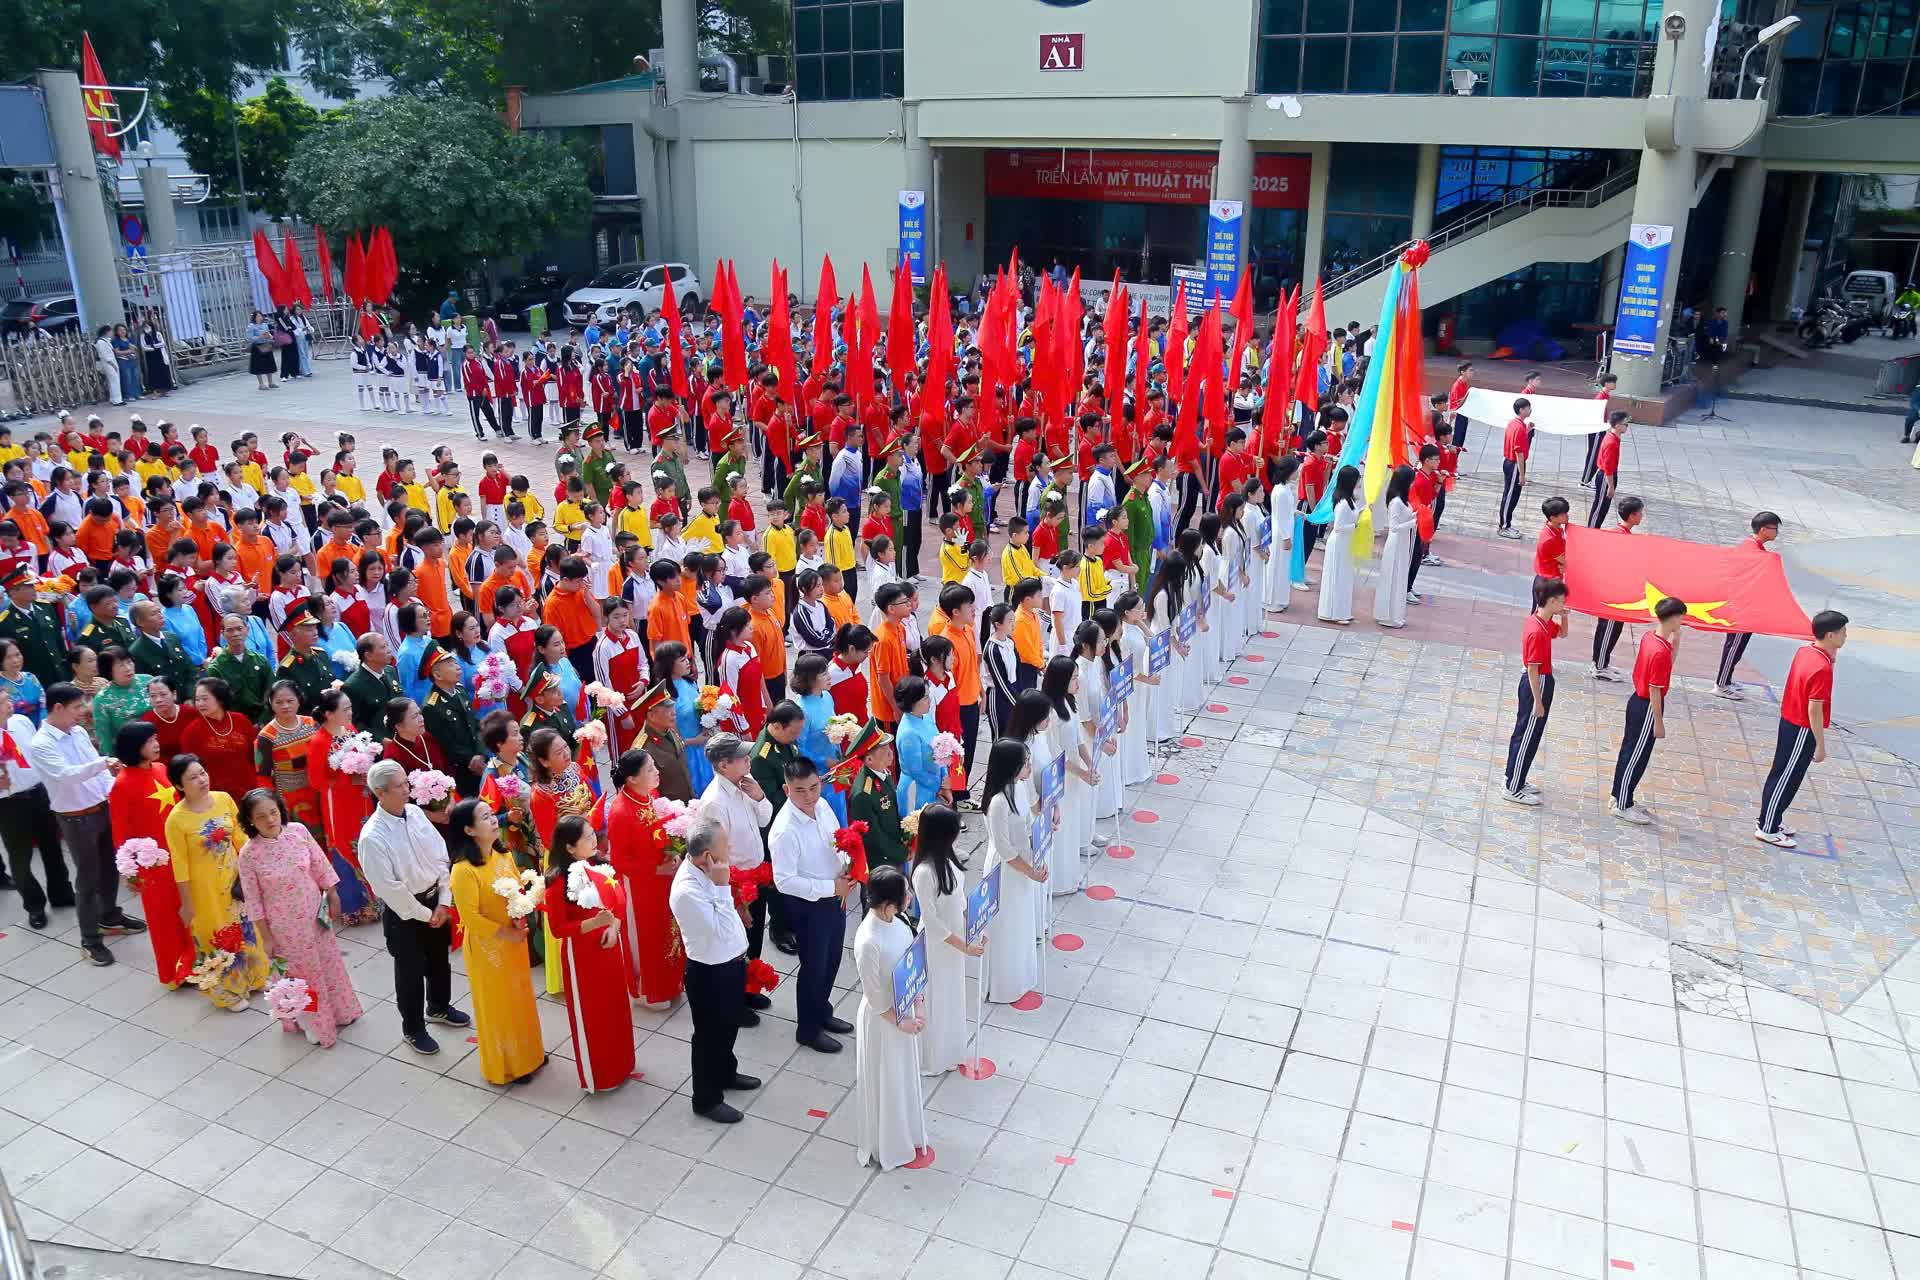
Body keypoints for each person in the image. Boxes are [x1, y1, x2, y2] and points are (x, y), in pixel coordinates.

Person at [235, 787, 363, 1047]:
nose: (270, 820)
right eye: (261, 817)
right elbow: (253, 900)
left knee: (328, 964)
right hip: (284, 927)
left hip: (316, 915)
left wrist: (333, 895)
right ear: (250, 820)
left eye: (273, 812)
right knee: (304, 976)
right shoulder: (249, 854)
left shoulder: (298, 832)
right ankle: (312, 1022)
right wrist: (266, 938)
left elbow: (319, 865)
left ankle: (341, 1012)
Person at [358, 759, 471, 1054]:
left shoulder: (416, 814)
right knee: (409, 971)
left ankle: (439, 1006)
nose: (407, 790)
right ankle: (413, 1028)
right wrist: (425, 914)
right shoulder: (373, 837)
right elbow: (388, 888)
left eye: (407, 783)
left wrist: (444, 901)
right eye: (399, 786)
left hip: (436, 899)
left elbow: (439, 856)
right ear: (380, 793)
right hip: (406, 912)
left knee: (438, 959)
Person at [28, 682, 144, 966]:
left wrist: (113, 791)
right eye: (77, 707)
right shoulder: (41, 744)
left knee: (110, 867)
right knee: (88, 879)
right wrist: (103, 763)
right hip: (76, 817)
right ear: (58, 708)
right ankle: (90, 939)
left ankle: (110, 915)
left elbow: (96, 769)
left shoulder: (77, 731)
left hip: (102, 808)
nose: (82, 712)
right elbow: (66, 775)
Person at [446, 798, 547, 1085]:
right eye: (485, 817)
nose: (493, 820)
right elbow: (470, 917)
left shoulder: (502, 854)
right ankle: (509, 1065)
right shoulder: (463, 870)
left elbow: (517, 891)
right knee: (499, 1007)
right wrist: (506, 932)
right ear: (468, 830)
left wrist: (520, 916)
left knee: (522, 998)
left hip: (513, 939)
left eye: (492, 815)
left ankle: (532, 1054)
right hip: (489, 947)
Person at [669, 812, 762, 1123]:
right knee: (709, 1036)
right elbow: (717, 931)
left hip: (730, 966)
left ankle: (725, 1073)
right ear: (707, 855)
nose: (730, 848)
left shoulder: (709, 871)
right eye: (726, 845)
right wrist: (722, 888)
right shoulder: (686, 891)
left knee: (728, 1027)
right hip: (710, 973)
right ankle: (706, 1099)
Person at [163, 754, 270, 1007]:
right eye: (193, 777)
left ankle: (255, 978)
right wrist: (187, 903)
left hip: (235, 879)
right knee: (217, 937)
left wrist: (255, 872)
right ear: (179, 786)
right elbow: (180, 865)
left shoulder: (223, 799)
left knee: (246, 928)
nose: (201, 780)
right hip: (205, 889)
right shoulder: (176, 820)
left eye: (203, 773)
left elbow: (242, 839)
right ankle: (227, 992)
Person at [540, 813, 635, 1090]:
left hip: (609, 946)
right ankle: (601, 1075)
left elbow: (619, 899)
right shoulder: (558, 883)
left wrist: (614, 927)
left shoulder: (600, 865)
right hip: (582, 955)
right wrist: (594, 923)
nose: (595, 840)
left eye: (594, 833)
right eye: (588, 837)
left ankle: (623, 1063)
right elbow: (558, 928)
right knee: (594, 1015)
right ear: (569, 847)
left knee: (617, 1009)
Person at [769, 756, 853, 1053]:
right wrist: (831, 886)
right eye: (800, 790)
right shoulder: (785, 830)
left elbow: (836, 841)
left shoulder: (823, 806)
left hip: (835, 895)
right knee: (814, 967)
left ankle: (823, 1011)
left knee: (832, 960)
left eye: (814, 787)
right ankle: (808, 1029)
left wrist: (846, 865)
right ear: (786, 789)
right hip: (810, 905)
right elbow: (784, 881)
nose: (809, 796)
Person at [852, 864, 931, 1170]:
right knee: (887, 1081)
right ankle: (888, 1144)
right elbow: (875, 997)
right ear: (887, 905)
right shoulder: (868, 942)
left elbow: (913, 963)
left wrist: (919, 1005)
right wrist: (902, 1022)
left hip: (906, 1010)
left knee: (904, 1078)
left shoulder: (898, 922)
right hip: (883, 1023)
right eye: (905, 893)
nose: (910, 896)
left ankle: (908, 1132)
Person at [1756, 610, 1849, 849]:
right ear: (1830, 635)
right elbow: (1814, 710)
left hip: (1789, 720)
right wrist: (1820, 743)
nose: (1846, 636)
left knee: (1781, 772)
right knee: (1787, 777)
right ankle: (1767, 828)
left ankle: (1772, 819)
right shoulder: (1823, 669)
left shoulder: (1806, 652)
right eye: (1843, 632)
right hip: (1801, 728)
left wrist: (1831, 657)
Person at [599, 747, 683, 1008]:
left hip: (663, 879)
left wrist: (674, 849)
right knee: (646, 937)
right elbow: (619, 860)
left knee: (669, 932)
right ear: (632, 779)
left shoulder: (649, 795)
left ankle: (671, 981)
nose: (657, 772)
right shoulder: (621, 812)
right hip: (640, 887)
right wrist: (656, 869)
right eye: (650, 769)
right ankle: (649, 991)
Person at [697, 732, 774, 998]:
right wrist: (736, 898)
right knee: (735, 944)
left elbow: (764, 820)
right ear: (723, 765)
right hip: (735, 883)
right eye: (741, 757)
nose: (748, 760)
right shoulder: (715, 802)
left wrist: (760, 796)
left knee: (753, 940)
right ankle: (736, 999)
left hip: (757, 874)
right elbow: (717, 855)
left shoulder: (745, 784)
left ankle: (750, 988)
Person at [908, 803, 976, 1076]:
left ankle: (952, 1047)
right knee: (936, 998)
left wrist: (975, 927)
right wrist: (963, 945)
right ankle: (933, 1056)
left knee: (952, 994)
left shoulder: (949, 860)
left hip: (955, 939)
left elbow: (959, 898)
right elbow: (932, 922)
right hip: (937, 945)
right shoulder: (924, 872)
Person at [1, 686, 73, 933]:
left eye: (8, 699)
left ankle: (61, 893)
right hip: (8, 802)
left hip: (38, 791)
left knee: (51, 845)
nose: (10, 705)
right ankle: (34, 905)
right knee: (20, 856)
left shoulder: (20, 722)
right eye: (4, 702)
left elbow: (36, 755)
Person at [1610, 595, 1687, 826]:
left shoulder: (1650, 638)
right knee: (1636, 756)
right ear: (1673, 618)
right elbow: (1655, 689)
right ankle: (1622, 804)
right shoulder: (1660, 651)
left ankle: (1622, 796)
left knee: (1630, 751)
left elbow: (1667, 665)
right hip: (1647, 706)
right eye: (1680, 617)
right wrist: (1658, 721)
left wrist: (1677, 640)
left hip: (1637, 701)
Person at [305, 689, 379, 925]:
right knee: (345, 845)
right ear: (329, 714)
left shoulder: (351, 730)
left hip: (362, 798)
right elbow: (317, 781)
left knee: (366, 841)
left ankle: (374, 901)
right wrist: (350, 780)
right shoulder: (319, 742)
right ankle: (352, 907)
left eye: (350, 707)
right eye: (345, 709)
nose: (350, 712)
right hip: (338, 803)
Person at [981, 738, 1044, 1003]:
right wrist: (1030, 870)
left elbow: (1029, 825)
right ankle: (1004, 984)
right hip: (1007, 870)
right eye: (1025, 764)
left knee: (1021, 922)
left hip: (1024, 864)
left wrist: (1038, 855)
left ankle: (1022, 975)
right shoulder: (998, 802)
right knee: (1006, 925)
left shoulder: (1018, 788)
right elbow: (1005, 849)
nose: (1029, 768)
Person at [1505, 577, 1570, 806]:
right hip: (1537, 683)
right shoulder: (1536, 630)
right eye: (1561, 602)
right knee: (1527, 735)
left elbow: (1562, 634)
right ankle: (1513, 786)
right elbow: (1532, 669)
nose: (1564, 604)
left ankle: (1517, 778)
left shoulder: (1543, 622)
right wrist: (1538, 700)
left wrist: (1564, 617)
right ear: (1551, 601)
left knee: (1530, 733)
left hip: (1543, 680)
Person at [1715, 511, 1780, 700]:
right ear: (1763, 530)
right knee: (1734, 645)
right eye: (1774, 528)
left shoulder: (1756, 549)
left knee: (1739, 646)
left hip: (1749, 607)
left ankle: (1726, 679)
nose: (1776, 532)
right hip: (1741, 609)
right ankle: (1721, 684)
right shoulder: (1752, 551)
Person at [183, 676, 259, 799]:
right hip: (216, 797)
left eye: (205, 698)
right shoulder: (192, 731)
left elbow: (255, 756)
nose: (200, 703)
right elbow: (189, 769)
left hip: (249, 791)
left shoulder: (241, 720)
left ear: (220, 699)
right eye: (197, 700)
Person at [1373, 465, 1418, 629]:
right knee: (1393, 577)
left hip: (1403, 541)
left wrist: (1416, 515)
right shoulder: (1396, 502)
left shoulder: (1403, 500)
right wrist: (1413, 522)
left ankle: (1395, 613)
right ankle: (1387, 615)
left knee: (1399, 577)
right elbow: (1394, 527)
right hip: (1396, 541)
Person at [1316, 465, 1361, 624]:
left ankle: (1342, 610)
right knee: (1338, 576)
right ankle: (1334, 612)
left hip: (1346, 542)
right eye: (1356, 478)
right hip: (1340, 541)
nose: (1359, 481)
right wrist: (1356, 526)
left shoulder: (1349, 498)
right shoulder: (1342, 502)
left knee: (1344, 576)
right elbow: (1339, 527)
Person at [1497, 398, 1531, 538]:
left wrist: (1527, 430)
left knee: (1512, 495)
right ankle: (1504, 526)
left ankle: (1507, 524)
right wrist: (1522, 475)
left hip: (1510, 462)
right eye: (1528, 408)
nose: (1530, 410)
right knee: (1510, 496)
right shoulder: (1519, 427)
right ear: (1522, 410)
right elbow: (1519, 452)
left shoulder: (1515, 424)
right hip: (1515, 464)